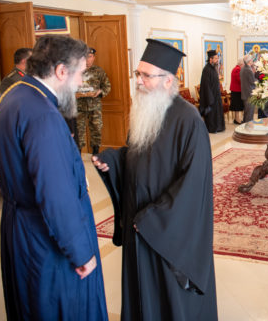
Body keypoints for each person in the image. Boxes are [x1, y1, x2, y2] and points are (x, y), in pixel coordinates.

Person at [92, 39, 218, 319]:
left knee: (167, 299)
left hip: (166, 232)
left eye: (146, 76)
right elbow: (137, 157)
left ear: (167, 80)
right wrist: (113, 161)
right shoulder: (144, 111)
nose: (138, 81)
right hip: (139, 222)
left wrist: (154, 218)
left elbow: (193, 184)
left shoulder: (189, 121)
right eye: (137, 74)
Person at [0, 35, 107, 320]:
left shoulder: (9, 98)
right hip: (44, 236)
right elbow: (56, 194)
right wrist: (80, 252)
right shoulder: (44, 115)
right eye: (79, 73)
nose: (80, 83)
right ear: (61, 71)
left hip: (18, 226)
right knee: (60, 307)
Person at [76, 48, 111, 154]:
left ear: (94, 58)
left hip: (95, 106)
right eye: (85, 57)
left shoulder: (99, 71)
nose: (87, 59)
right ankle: (78, 154)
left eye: (90, 57)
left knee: (96, 129)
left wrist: (100, 92)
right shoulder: (75, 71)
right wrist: (74, 95)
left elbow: (107, 86)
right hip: (79, 107)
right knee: (78, 131)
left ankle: (95, 153)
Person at [199, 49, 225, 133]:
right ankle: (212, 128)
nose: (217, 60)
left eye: (217, 58)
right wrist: (210, 99)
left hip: (216, 95)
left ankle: (219, 127)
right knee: (212, 114)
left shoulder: (213, 68)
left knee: (217, 113)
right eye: (216, 58)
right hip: (210, 97)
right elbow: (206, 86)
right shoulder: (206, 70)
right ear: (211, 59)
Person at [240, 54, 256, 123]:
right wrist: (259, 81)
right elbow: (253, 82)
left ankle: (245, 127)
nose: (252, 61)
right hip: (249, 94)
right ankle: (248, 128)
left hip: (245, 93)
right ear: (249, 61)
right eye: (252, 59)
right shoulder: (248, 70)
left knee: (246, 113)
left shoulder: (243, 68)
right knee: (249, 114)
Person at [229, 58, 244, 124]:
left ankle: (237, 119)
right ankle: (237, 119)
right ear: (241, 64)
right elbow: (240, 79)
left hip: (237, 90)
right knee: (237, 106)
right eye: (244, 64)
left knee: (237, 105)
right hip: (236, 90)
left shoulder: (236, 69)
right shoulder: (237, 69)